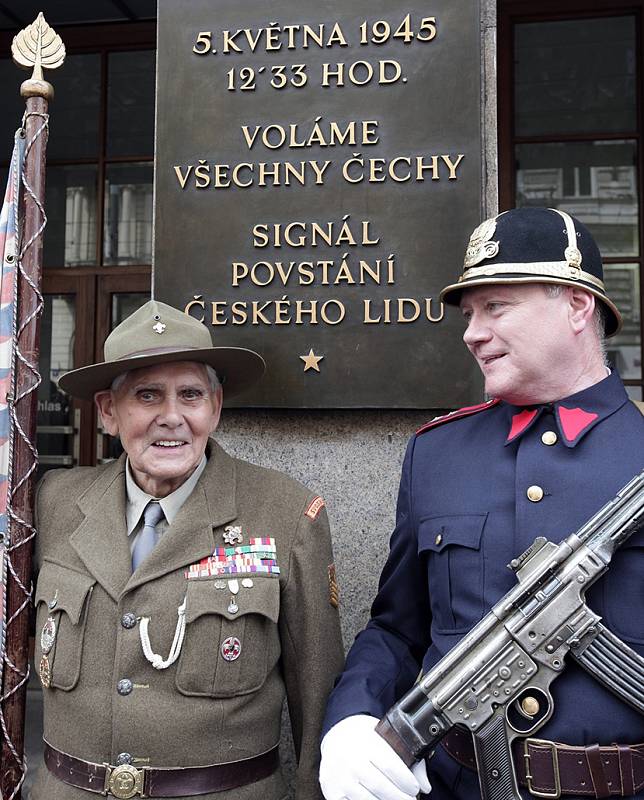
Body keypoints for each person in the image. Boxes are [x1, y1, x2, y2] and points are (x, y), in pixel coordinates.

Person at [319, 207, 644, 800]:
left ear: (577, 305)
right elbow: (396, 627)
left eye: (497, 306)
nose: (471, 332)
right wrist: (350, 721)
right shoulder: (436, 456)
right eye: (470, 314)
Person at [31, 299, 344, 800]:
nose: (171, 417)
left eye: (191, 395)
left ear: (215, 408)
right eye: (148, 396)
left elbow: (320, 696)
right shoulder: (55, 503)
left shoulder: (286, 514)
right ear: (109, 413)